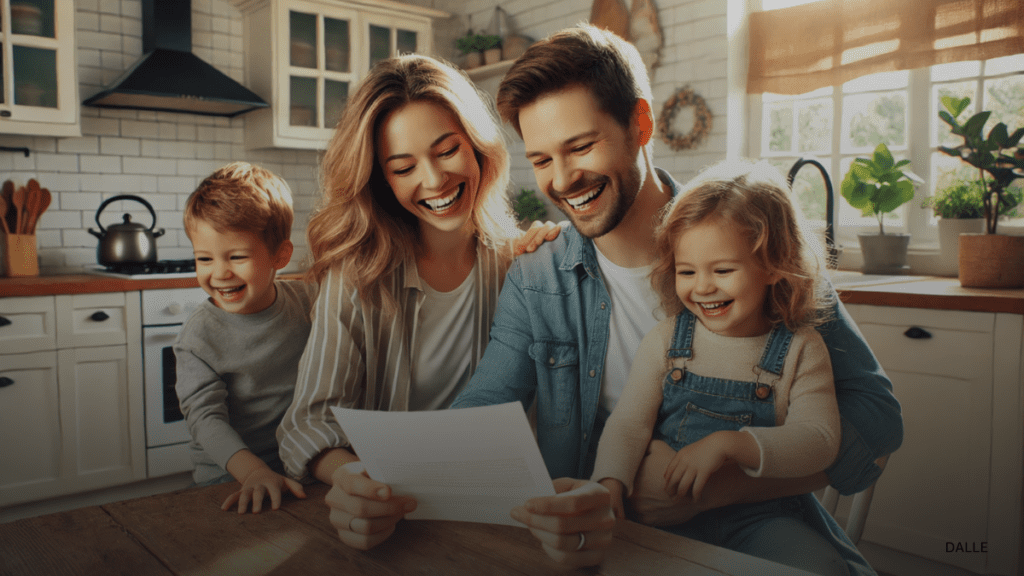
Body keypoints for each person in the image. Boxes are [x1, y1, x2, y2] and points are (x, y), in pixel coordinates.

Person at [449, 24, 902, 574]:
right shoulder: (538, 276)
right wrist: (371, 473)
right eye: (541, 160)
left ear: (640, 123)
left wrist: (717, 487)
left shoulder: (750, 237)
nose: (564, 179)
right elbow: (478, 416)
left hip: (748, 528)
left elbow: (877, 417)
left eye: (581, 146)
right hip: (600, 540)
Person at [275, 55, 566, 556]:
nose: (432, 181)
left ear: (478, 149)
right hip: (390, 514)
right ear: (381, 181)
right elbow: (305, 423)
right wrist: (353, 482)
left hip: (497, 515)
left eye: (448, 150)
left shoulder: (518, 264)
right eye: (403, 167)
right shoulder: (358, 277)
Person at [592, 159, 850, 575]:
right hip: (665, 519)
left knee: (821, 567)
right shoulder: (666, 340)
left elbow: (819, 440)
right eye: (686, 271)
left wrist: (730, 444)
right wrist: (610, 485)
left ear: (772, 265)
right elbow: (628, 424)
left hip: (761, 519)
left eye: (723, 270)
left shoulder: (802, 348)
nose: (703, 286)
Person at [175, 161, 316, 514]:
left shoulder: (307, 302)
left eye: (236, 256)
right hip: (230, 475)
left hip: (305, 462)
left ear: (280, 256)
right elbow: (205, 418)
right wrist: (253, 471)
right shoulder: (199, 335)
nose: (219, 272)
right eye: (203, 258)